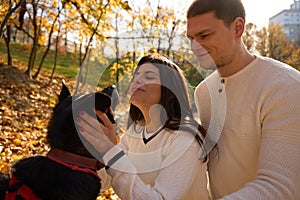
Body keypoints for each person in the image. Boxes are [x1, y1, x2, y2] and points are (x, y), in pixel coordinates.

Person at [186, 0, 300, 199]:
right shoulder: (204, 92)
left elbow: (279, 186)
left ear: (237, 28)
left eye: (204, 35)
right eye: (190, 38)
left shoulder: (286, 87)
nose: (195, 46)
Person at [76, 54, 210, 199]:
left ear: (171, 92)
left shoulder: (186, 140)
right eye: (136, 75)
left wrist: (110, 152)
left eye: (149, 76)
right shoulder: (135, 132)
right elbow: (107, 180)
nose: (137, 80)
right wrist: (92, 149)